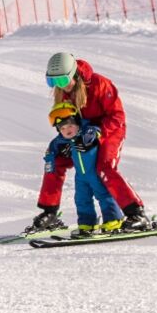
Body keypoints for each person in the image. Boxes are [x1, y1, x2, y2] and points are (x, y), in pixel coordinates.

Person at [26, 51, 149, 235]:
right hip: (81, 134)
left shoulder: (100, 84)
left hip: (110, 130)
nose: (59, 86)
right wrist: (60, 143)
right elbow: (65, 119)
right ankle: (50, 212)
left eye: (61, 81)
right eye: (52, 82)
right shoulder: (63, 93)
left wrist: (98, 132)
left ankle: (136, 213)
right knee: (54, 160)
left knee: (105, 166)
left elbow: (117, 116)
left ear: (73, 74)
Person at [47, 101, 124, 238]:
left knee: (104, 196)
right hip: (81, 177)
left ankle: (113, 221)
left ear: (77, 123)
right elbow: (52, 149)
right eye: (63, 128)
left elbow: (96, 131)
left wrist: (88, 139)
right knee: (81, 200)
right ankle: (87, 225)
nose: (67, 130)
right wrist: (51, 156)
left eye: (70, 125)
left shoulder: (87, 130)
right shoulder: (62, 141)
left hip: (95, 174)